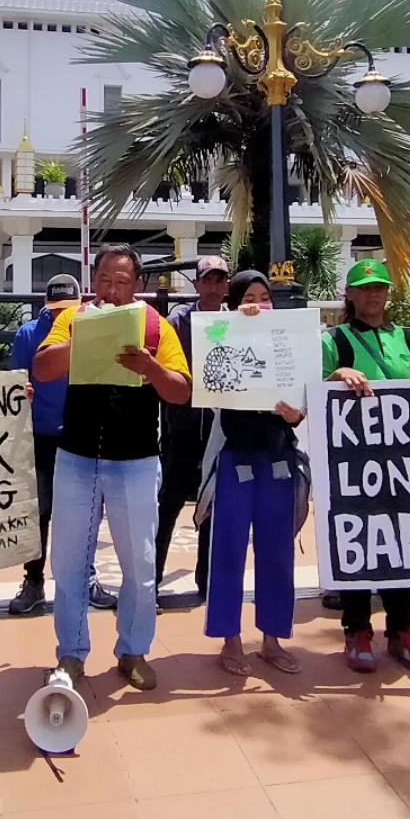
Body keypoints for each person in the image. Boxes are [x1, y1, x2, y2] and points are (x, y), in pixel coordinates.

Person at [33, 244, 192, 690]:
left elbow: (180, 391)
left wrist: (151, 367)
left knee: (139, 563)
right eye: (104, 279)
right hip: (77, 456)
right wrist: (82, 339)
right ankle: (71, 653)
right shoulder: (73, 318)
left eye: (122, 282)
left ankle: (134, 650)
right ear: (93, 280)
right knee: (68, 561)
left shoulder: (157, 326)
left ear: (137, 285)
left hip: (137, 460)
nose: (112, 289)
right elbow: (42, 368)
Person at [323, 258, 410, 673]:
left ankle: (403, 629)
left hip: (401, 461)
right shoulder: (334, 339)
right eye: (365, 288)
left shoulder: (404, 337)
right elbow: (310, 391)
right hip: (352, 462)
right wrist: (338, 372)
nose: (374, 295)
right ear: (350, 295)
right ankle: (357, 631)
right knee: (358, 542)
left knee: (400, 540)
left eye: (380, 288)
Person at [203, 271, 305, 675]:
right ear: (234, 301)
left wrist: (297, 415)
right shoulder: (223, 336)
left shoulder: (287, 344)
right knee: (228, 550)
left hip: (278, 460)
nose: (259, 304)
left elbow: (302, 400)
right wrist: (231, 326)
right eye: (250, 297)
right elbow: (207, 377)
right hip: (236, 458)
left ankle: (272, 638)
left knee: (277, 552)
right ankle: (230, 639)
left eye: (265, 297)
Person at [7, 274, 108, 616]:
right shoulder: (28, 334)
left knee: (87, 512)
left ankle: (87, 577)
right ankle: (33, 581)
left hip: (82, 433)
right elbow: (14, 383)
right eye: (55, 309)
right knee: (39, 513)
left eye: (68, 309)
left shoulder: (95, 327)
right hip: (39, 435)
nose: (61, 315)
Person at [158, 255, 227, 607]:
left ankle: (208, 582)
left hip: (220, 430)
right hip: (182, 426)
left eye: (220, 281)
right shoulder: (177, 322)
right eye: (208, 281)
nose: (214, 288)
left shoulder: (236, 322)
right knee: (168, 502)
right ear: (197, 285)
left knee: (212, 503)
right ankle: (151, 579)